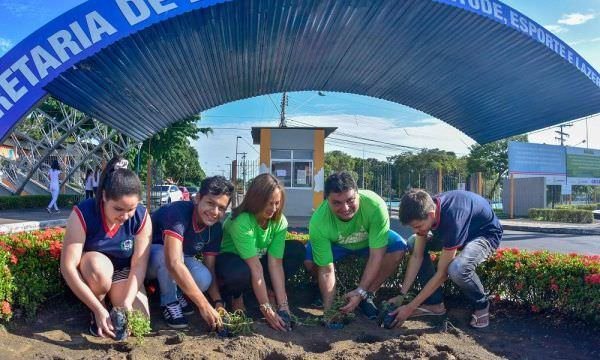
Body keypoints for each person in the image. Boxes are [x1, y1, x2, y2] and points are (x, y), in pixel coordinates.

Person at [60, 157, 151, 338]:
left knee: (139, 319)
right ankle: (98, 307)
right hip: (95, 271)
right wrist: (98, 309)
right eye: (118, 209)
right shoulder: (84, 213)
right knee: (97, 269)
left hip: (122, 271)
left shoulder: (141, 216)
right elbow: (67, 267)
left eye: (131, 209)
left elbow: (139, 264)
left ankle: (115, 303)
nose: (125, 216)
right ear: (103, 198)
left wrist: (127, 301)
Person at [387, 189, 502, 329]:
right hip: (460, 231)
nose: (415, 231)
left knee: (457, 269)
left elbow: (442, 274)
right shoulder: (427, 207)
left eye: (417, 226)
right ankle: (435, 305)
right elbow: (417, 256)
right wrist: (401, 295)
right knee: (412, 242)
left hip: (484, 234)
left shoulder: (453, 218)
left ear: (431, 215)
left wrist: (410, 308)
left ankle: (482, 304)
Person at [304, 171, 407, 320]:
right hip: (338, 245)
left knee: (399, 246)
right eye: (337, 203)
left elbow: (376, 255)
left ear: (358, 194)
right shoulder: (318, 220)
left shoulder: (375, 205)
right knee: (309, 259)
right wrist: (330, 311)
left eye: (350, 200)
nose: (345, 208)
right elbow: (326, 268)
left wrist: (361, 291)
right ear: (327, 200)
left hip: (368, 242)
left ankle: (367, 296)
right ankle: (329, 295)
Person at [217, 173, 305, 332]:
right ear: (256, 200)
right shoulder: (241, 221)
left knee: (296, 250)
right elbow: (255, 268)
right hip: (233, 262)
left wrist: (283, 307)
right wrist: (266, 309)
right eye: (268, 203)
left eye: (277, 203)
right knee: (239, 272)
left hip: (257, 261)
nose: (273, 208)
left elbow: (275, 263)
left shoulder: (279, 221)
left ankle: (268, 293)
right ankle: (237, 297)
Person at [146, 176, 234, 330]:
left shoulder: (215, 229)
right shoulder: (178, 213)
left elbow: (210, 268)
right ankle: (170, 301)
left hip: (179, 257)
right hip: (149, 256)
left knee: (204, 278)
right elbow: (172, 262)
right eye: (210, 203)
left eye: (221, 208)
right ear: (198, 198)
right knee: (168, 256)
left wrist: (218, 302)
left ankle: (177, 291)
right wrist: (204, 306)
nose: (214, 212)